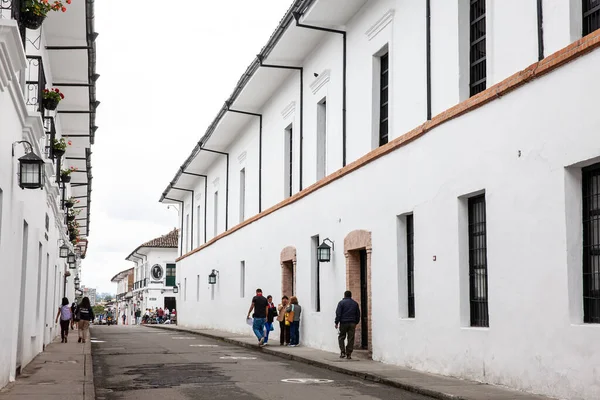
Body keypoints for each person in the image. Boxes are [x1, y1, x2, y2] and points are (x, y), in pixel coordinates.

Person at [335, 290, 361, 359]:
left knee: (341, 337)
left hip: (343, 323)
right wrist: (356, 322)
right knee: (351, 338)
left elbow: (338, 314)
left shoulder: (341, 303)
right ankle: (349, 353)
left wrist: (336, 322)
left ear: (344, 295)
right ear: (350, 296)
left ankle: (343, 352)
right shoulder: (355, 303)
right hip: (352, 323)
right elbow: (358, 314)